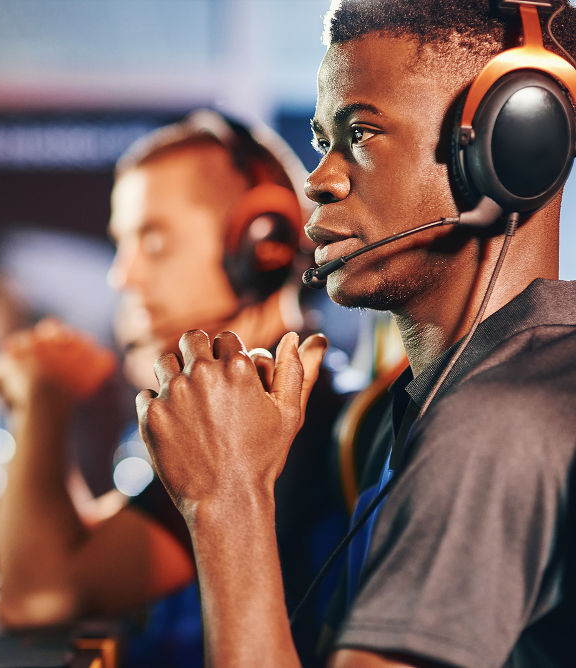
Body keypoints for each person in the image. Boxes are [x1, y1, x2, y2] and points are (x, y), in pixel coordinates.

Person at [135, 1, 576, 665]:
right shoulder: (420, 408)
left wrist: (226, 497)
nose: (318, 181)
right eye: (323, 141)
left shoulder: (499, 421)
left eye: (361, 134)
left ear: (511, 146)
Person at [0, 110, 348, 663]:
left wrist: (44, 394)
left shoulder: (274, 410)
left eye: (153, 243)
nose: (123, 276)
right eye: (122, 244)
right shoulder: (250, 390)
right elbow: (83, 545)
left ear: (262, 246)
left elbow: (39, 596)